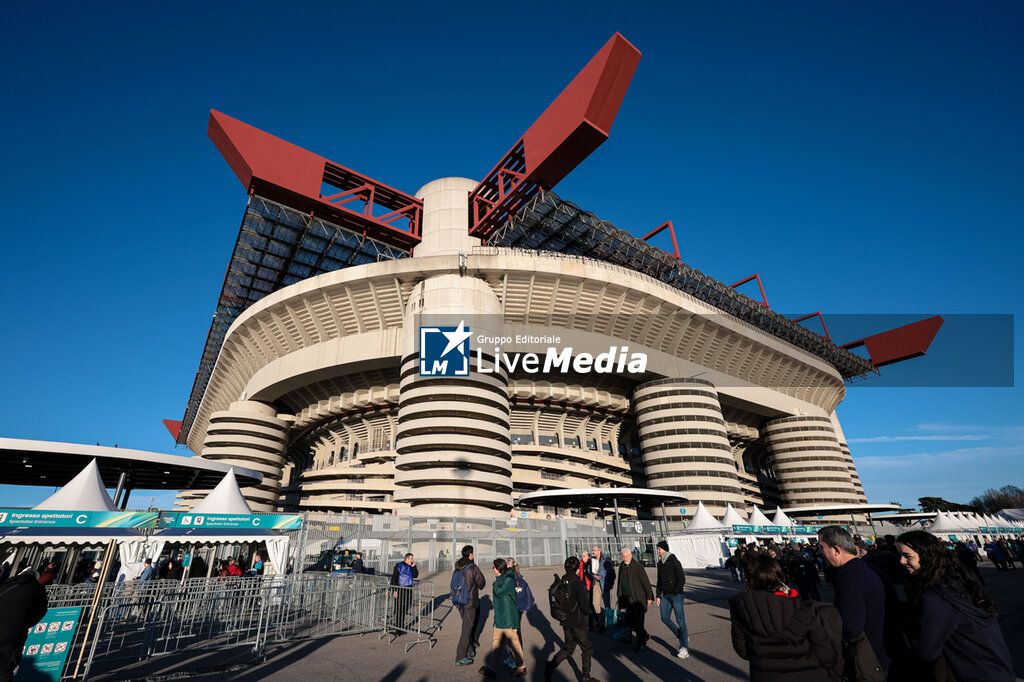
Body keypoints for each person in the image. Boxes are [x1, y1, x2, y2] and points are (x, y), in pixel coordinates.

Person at [896, 531, 1014, 681]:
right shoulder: (957, 582)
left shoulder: (935, 598)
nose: (901, 561)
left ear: (927, 556)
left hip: (972, 674)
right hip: (997, 669)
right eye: (899, 555)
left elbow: (926, 651)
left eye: (907, 556)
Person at [730, 553, 843, 681]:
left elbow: (742, 650)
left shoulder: (742, 607)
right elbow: (824, 651)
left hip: (765, 674)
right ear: (777, 572)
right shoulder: (798, 605)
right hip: (807, 672)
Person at [817, 526, 889, 677]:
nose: (820, 553)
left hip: (868, 660)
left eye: (821, 547)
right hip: (884, 651)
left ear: (836, 550)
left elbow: (851, 628)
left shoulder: (847, 578)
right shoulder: (869, 569)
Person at [544, 557, 596, 682]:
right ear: (578, 569)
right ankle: (585, 677)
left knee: (568, 648)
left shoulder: (562, 581)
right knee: (587, 649)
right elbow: (584, 606)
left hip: (566, 621)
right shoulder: (578, 583)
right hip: (578, 623)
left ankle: (550, 666)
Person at [479, 558, 526, 678]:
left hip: (508, 619)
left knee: (514, 644)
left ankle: (521, 667)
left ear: (499, 569)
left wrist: (495, 584)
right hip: (501, 618)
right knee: (496, 644)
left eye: (494, 567)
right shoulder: (502, 578)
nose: (493, 570)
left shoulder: (508, 580)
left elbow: (499, 591)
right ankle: (492, 669)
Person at [0, 568, 48, 681]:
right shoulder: (37, 589)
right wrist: (24, 623)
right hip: (12, 634)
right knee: (5, 668)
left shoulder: (6, 584)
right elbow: (41, 612)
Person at [655, 540, 689, 659]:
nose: (658, 551)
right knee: (664, 618)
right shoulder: (660, 563)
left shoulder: (674, 561)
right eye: (657, 549)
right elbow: (659, 580)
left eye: (659, 549)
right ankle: (682, 636)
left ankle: (684, 648)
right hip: (665, 595)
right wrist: (658, 595)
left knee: (680, 621)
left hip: (676, 595)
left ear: (664, 549)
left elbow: (681, 578)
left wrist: (676, 591)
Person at [453, 545, 486, 666]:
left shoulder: (458, 567)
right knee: (467, 630)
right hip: (470, 602)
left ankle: (470, 649)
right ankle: (460, 656)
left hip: (459, 601)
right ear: (470, 555)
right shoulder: (472, 568)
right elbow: (482, 583)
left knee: (468, 627)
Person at [616, 547, 654, 651]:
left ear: (631, 555)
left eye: (626, 556)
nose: (625, 558)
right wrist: (619, 596)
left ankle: (640, 643)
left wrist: (650, 597)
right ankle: (644, 634)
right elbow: (620, 582)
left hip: (637, 599)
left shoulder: (637, 566)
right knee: (631, 621)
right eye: (623, 557)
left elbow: (646, 582)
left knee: (638, 622)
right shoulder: (622, 566)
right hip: (627, 599)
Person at [503, 558, 533, 669]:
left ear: (509, 567)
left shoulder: (511, 578)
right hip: (518, 608)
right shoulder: (518, 577)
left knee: (514, 633)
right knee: (514, 632)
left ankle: (517, 659)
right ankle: (512, 656)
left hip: (513, 609)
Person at [584, 545, 614, 632]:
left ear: (599, 551)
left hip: (605, 584)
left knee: (607, 606)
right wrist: (594, 575)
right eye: (593, 550)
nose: (593, 552)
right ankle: (602, 623)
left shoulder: (606, 559)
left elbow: (609, 572)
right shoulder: (593, 560)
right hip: (596, 584)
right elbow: (589, 570)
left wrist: (599, 574)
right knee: (595, 604)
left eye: (595, 550)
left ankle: (610, 623)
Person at [390, 553, 418, 633]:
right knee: (399, 609)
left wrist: (414, 567)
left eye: (412, 559)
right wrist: (394, 590)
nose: (412, 560)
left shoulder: (410, 566)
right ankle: (398, 629)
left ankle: (401, 627)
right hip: (400, 589)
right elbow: (394, 578)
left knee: (405, 608)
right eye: (411, 559)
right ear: (407, 559)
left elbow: (415, 575)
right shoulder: (399, 565)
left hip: (408, 589)